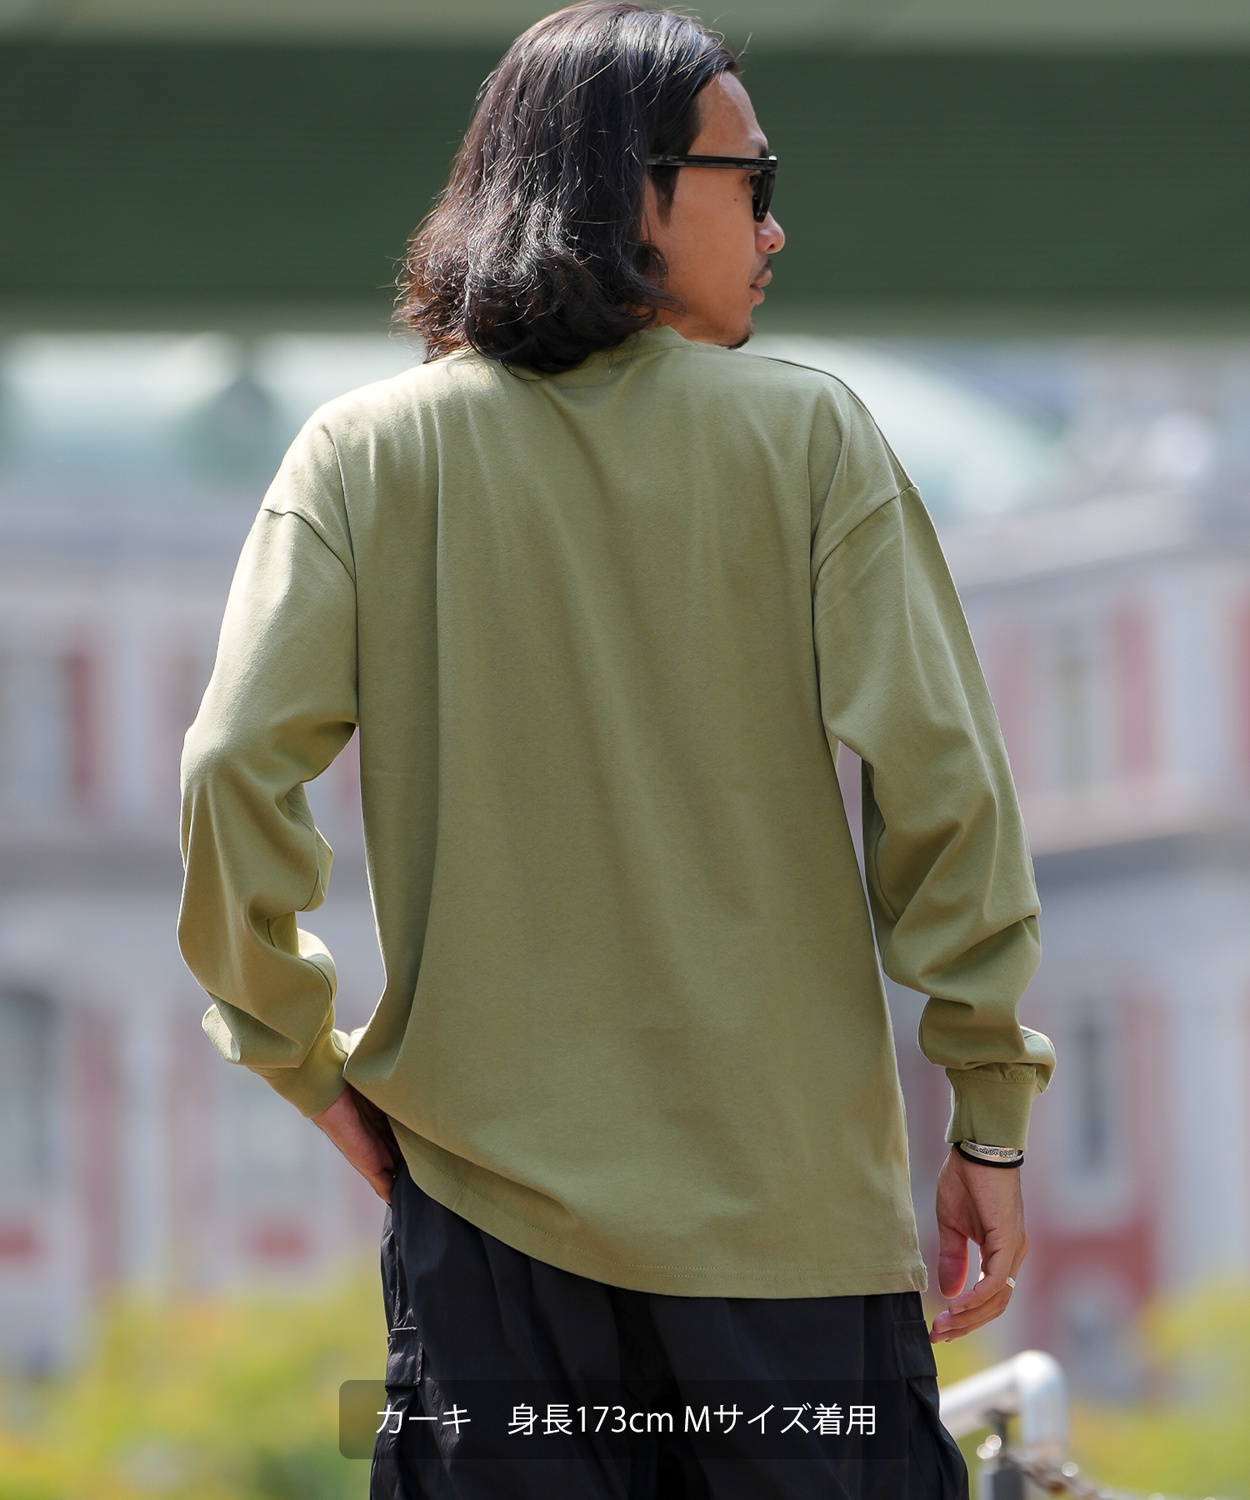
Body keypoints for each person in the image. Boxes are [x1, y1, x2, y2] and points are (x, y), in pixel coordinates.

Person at [178, 4, 1056, 1496]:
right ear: (632, 187)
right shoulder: (812, 439)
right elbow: (944, 792)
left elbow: (229, 770)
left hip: (486, 1247)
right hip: (788, 1240)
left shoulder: (363, 453)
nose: (774, 229)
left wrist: (297, 1053)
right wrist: (988, 1113)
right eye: (750, 180)